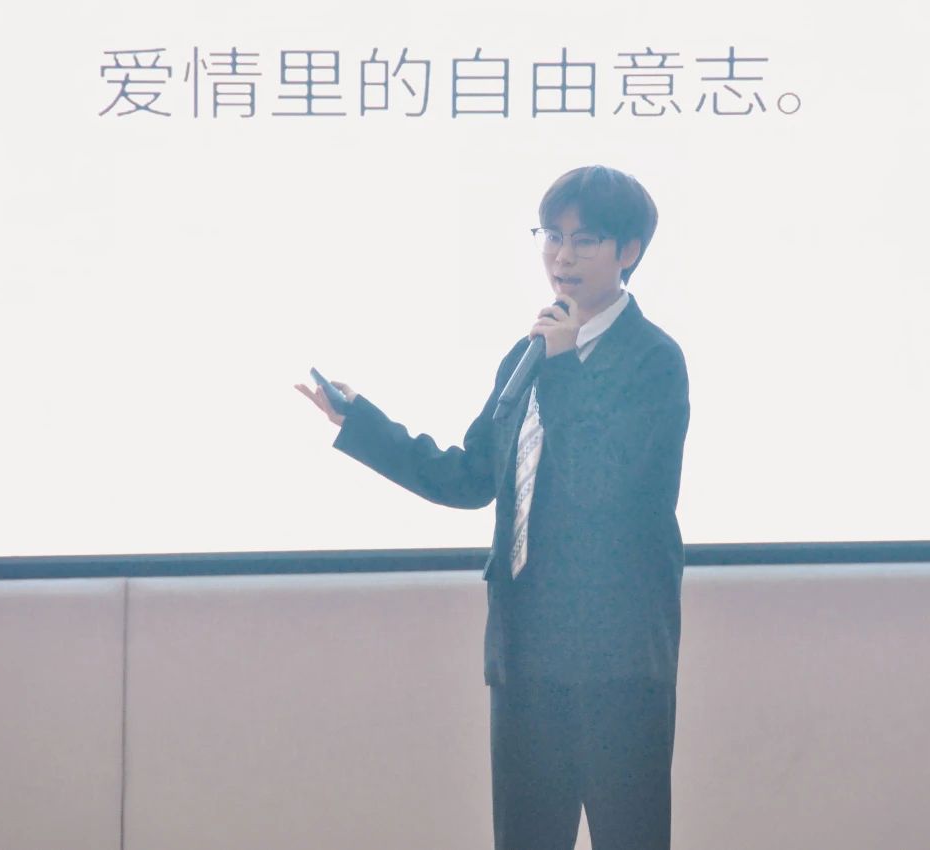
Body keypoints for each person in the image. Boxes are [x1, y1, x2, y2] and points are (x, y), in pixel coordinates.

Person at [294, 164, 690, 850]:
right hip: (526, 651)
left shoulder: (653, 359)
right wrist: (363, 424)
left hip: (618, 659)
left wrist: (561, 367)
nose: (562, 257)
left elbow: (605, 485)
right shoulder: (528, 352)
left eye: (585, 240)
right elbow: (471, 477)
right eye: (552, 236)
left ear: (628, 251)